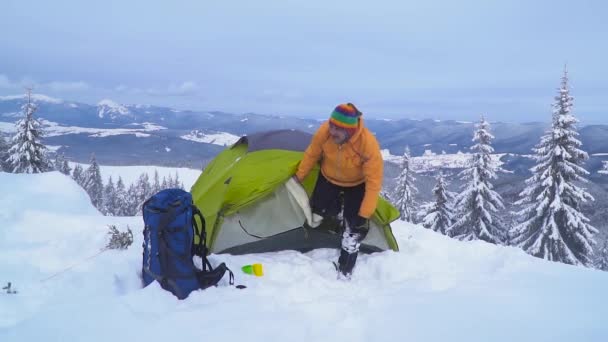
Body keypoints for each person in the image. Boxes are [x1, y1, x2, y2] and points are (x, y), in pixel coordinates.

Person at [294, 103, 383, 277]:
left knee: (354, 226)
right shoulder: (324, 131)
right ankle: (335, 217)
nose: (332, 131)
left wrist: (364, 214)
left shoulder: (367, 144)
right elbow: (312, 153)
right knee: (319, 209)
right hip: (328, 178)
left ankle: (346, 268)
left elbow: (374, 182)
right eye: (331, 125)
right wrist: (299, 177)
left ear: (349, 131)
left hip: (357, 184)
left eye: (338, 129)